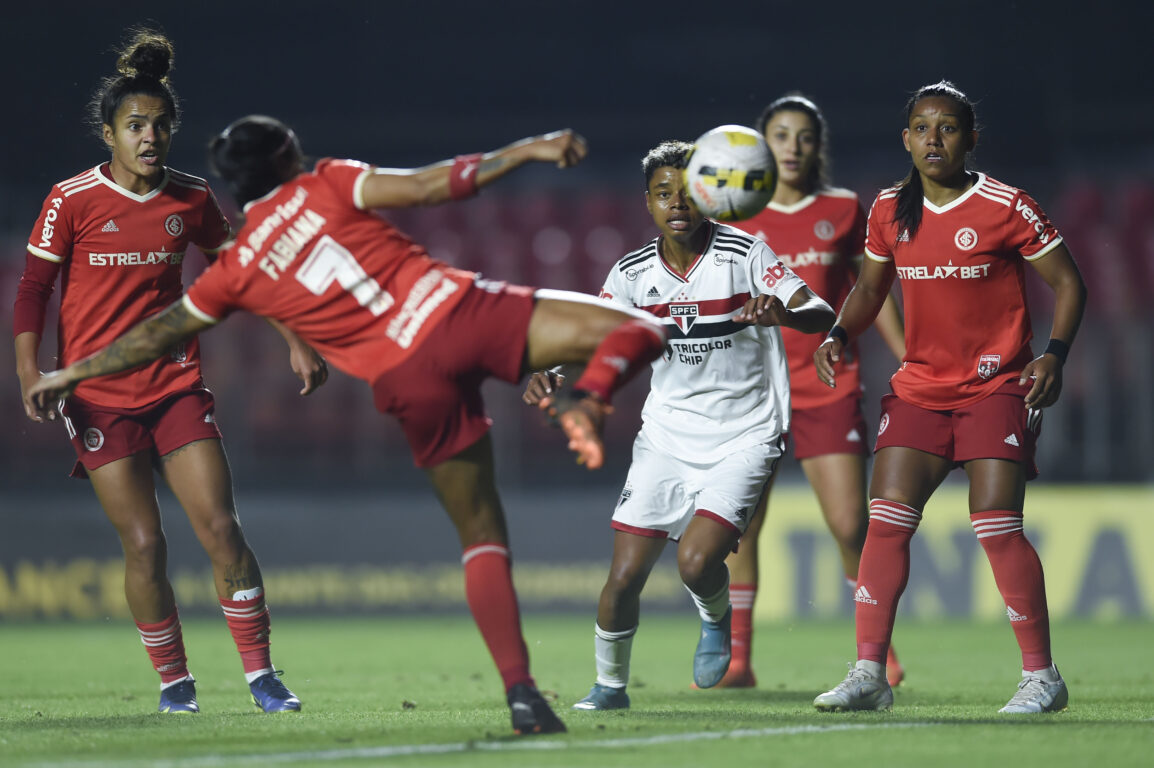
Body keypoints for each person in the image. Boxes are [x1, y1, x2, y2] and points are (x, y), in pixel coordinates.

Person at [26, 115, 669, 736]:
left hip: (408, 379)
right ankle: (589, 395)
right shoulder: (326, 181)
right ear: (286, 161)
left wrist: (69, 372)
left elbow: (162, 330)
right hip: (455, 312)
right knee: (643, 330)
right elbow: (429, 184)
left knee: (481, 538)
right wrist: (527, 150)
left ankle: (522, 693)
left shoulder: (239, 267)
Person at [14, 30, 326, 715]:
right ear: (109, 135)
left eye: (159, 125)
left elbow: (242, 274)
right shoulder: (71, 200)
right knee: (145, 542)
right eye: (134, 126)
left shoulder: (191, 200)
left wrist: (295, 339)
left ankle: (263, 677)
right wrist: (28, 373)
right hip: (95, 394)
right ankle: (175, 684)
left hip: (175, 386)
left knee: (221, 527)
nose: (149, 137)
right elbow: (34, 290)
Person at [523, 140, 836, 710]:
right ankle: (610, 688)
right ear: (648, 202)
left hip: (747, 433)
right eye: (664, 193)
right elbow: (591, 335)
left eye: (689, 192)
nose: (678, 203)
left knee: (696, 562)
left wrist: (781, 311)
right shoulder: (632, 274)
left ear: (711, 196)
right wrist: (551, 370)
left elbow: (821, 311)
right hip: (666, 436)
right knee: (623, 577)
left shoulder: (746, 255)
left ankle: (716, 620)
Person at [810, 81, 1086, 714]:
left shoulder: (1006, 205)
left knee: (996, 524)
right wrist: (838, 333)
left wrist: (1055, 353)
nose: (934, 139)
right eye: (922, 128)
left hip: (996, 386)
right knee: (886, 522)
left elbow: (1069, 282)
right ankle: (868, 673)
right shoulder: (887, 209)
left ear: (971, 139)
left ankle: (1042, 677)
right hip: (920, 388)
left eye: (949, 128)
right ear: (905, 138)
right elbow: (869, 290)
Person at [716, 94, 908, 689]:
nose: (792, 146)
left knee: (852, 523)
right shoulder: (733, 215)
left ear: (816, 146)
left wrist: (909, 358)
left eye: (803, 136)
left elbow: (870, 289)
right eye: (780, 135)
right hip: (753, 392)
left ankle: (876, 652)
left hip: (827, 383)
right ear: (761, 144)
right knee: (740, 526)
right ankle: (738, 660)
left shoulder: (843, 208)